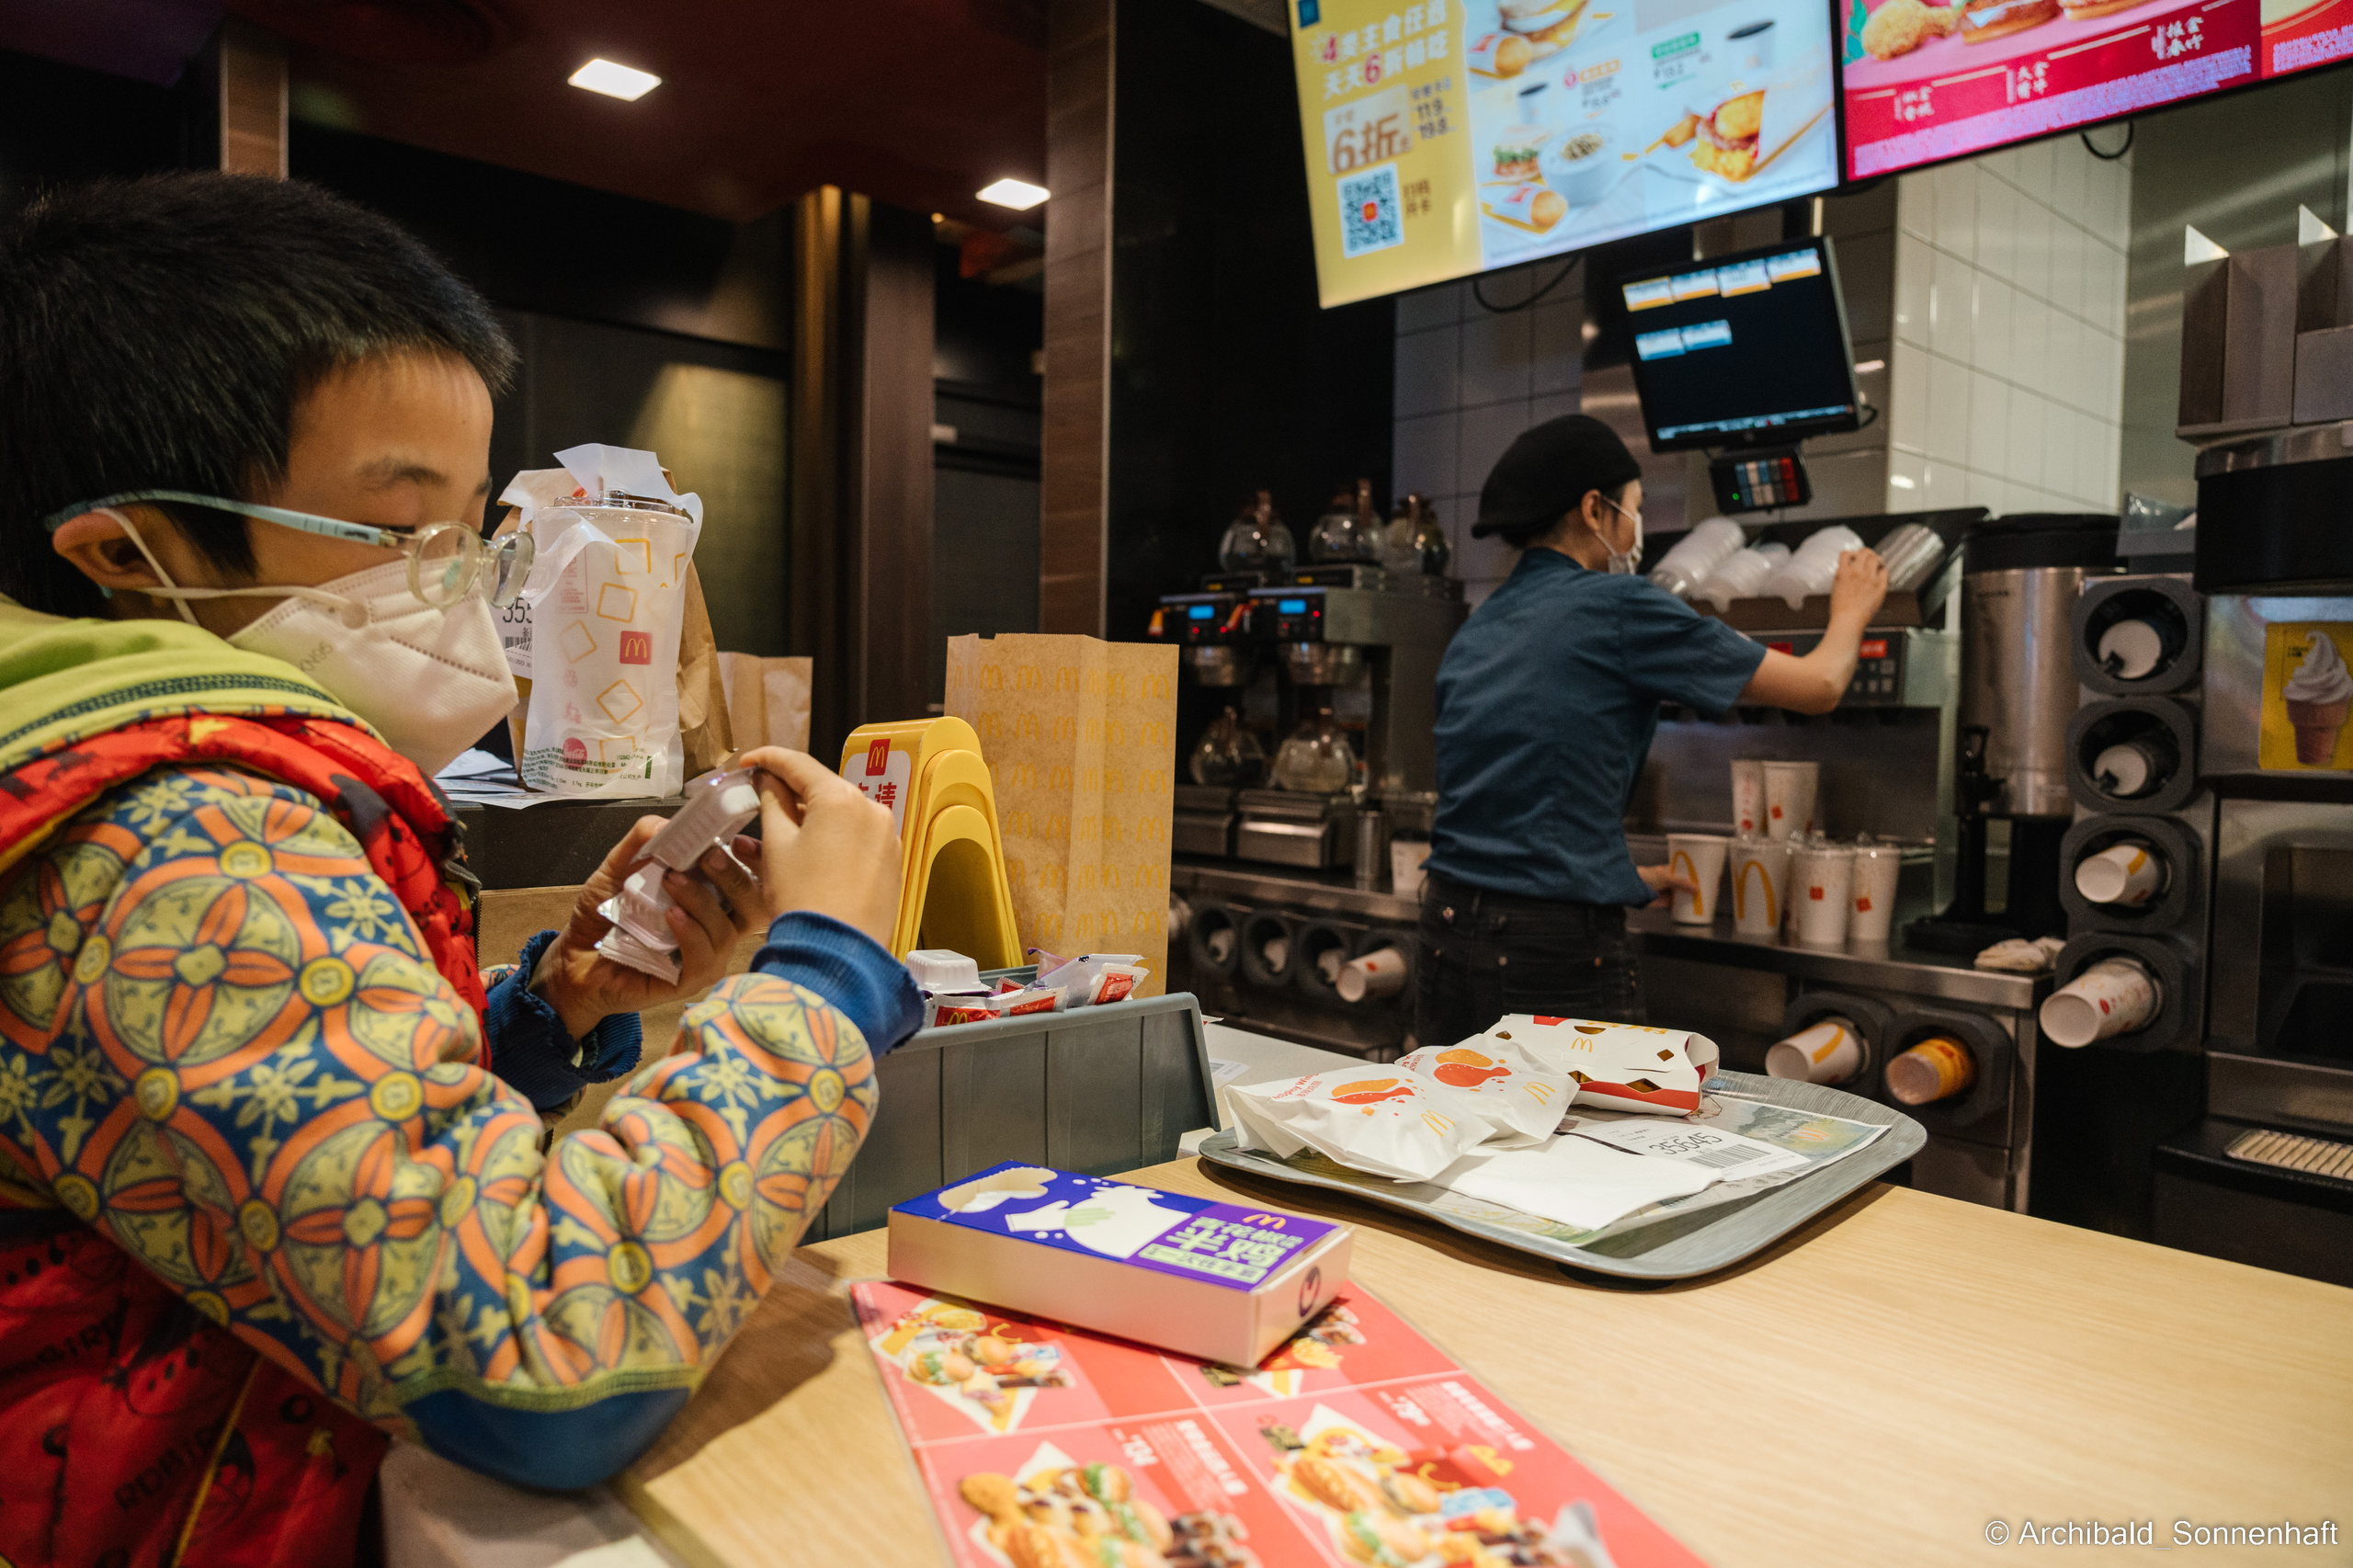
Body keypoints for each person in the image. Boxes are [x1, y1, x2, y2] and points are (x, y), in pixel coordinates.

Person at [0, 172, 922, 1566]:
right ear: (129, 551)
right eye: (395, 530)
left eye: (466, 532)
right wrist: (830, 973)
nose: (447, 583)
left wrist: (553, 1010)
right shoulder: (170, 826)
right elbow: (544, 1352)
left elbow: (270, 1156)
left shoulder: (116, 757)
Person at [1415, 415, 1888, 1048]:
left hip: (1446, 933)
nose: (1637, 530)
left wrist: (1627, 877)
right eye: (1634, 508)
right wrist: (1852, 610)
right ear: (1594, 510)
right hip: (1546, 953)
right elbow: (1819, 687)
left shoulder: (1483, 622)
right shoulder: (1620, 606)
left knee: (1468, 1130)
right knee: (1583, 1141)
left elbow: (1515, 808)